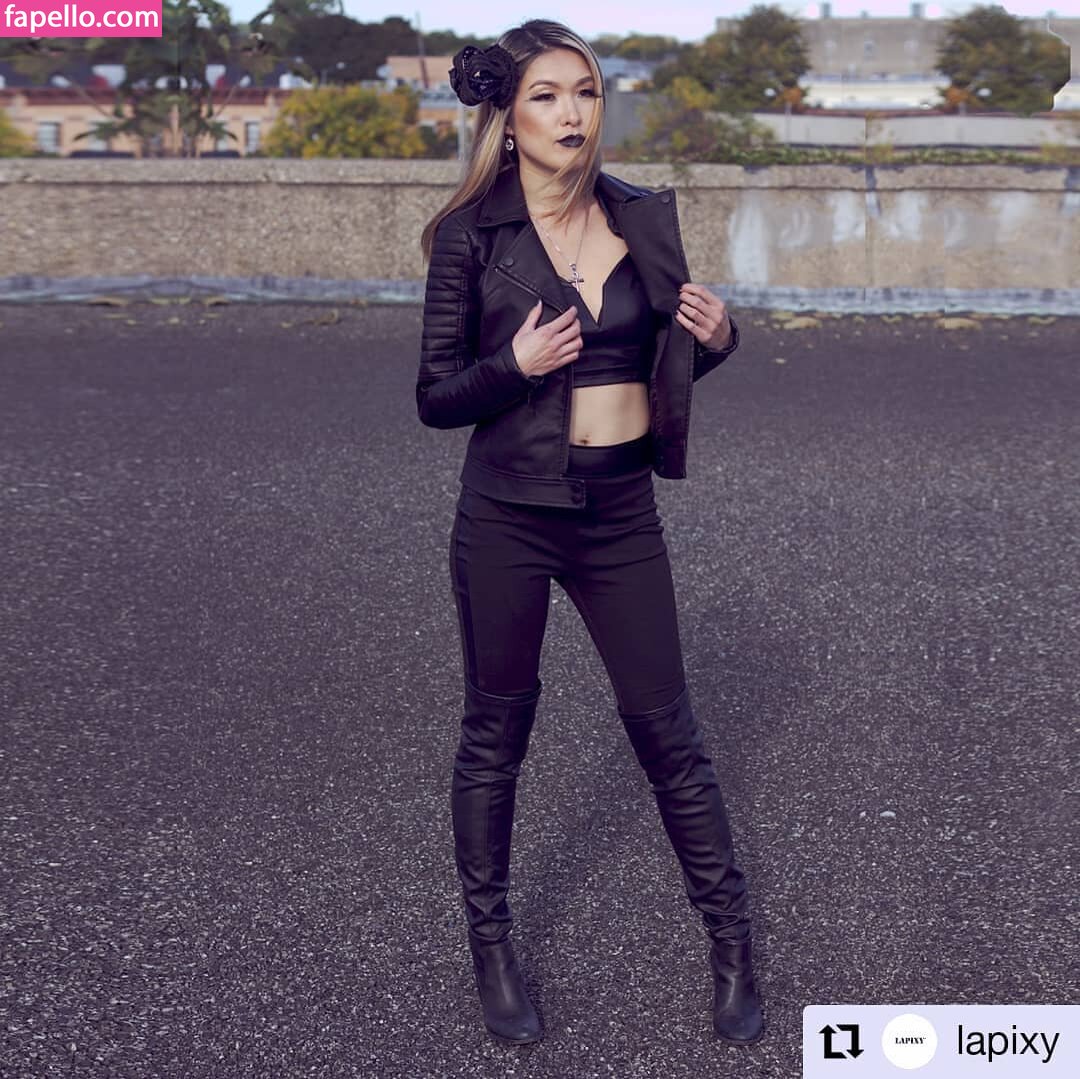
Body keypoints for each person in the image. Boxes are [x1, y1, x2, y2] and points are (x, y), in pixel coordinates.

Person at [416, 19, 763, 1049]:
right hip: (509, 516)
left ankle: (733, 945)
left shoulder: (639, 215)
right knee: (496, 735)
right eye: (547, 95)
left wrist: (719, 341)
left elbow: (656, 362)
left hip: (620, 513)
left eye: (586, 92)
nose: (572, 113)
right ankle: (492, 946)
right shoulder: (472, 238)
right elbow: (434, 397)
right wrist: (512, 367)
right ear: (508, 117)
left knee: (670, 734)